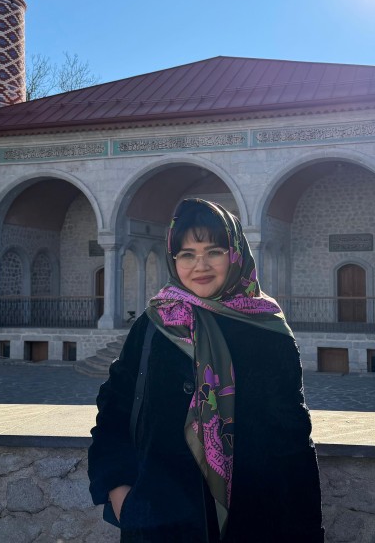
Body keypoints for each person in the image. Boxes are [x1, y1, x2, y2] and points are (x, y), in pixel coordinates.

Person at [88, 198, 324, 543]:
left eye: (214, 251)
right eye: (187, 254)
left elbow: (292, 439)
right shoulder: (155, 324)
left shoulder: (266, 331)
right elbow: (115, 407)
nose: (200, 266)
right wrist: (120, 491)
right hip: (158, 523)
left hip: (253, 521)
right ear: (174, 260)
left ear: (235, 254)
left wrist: (304, 531)